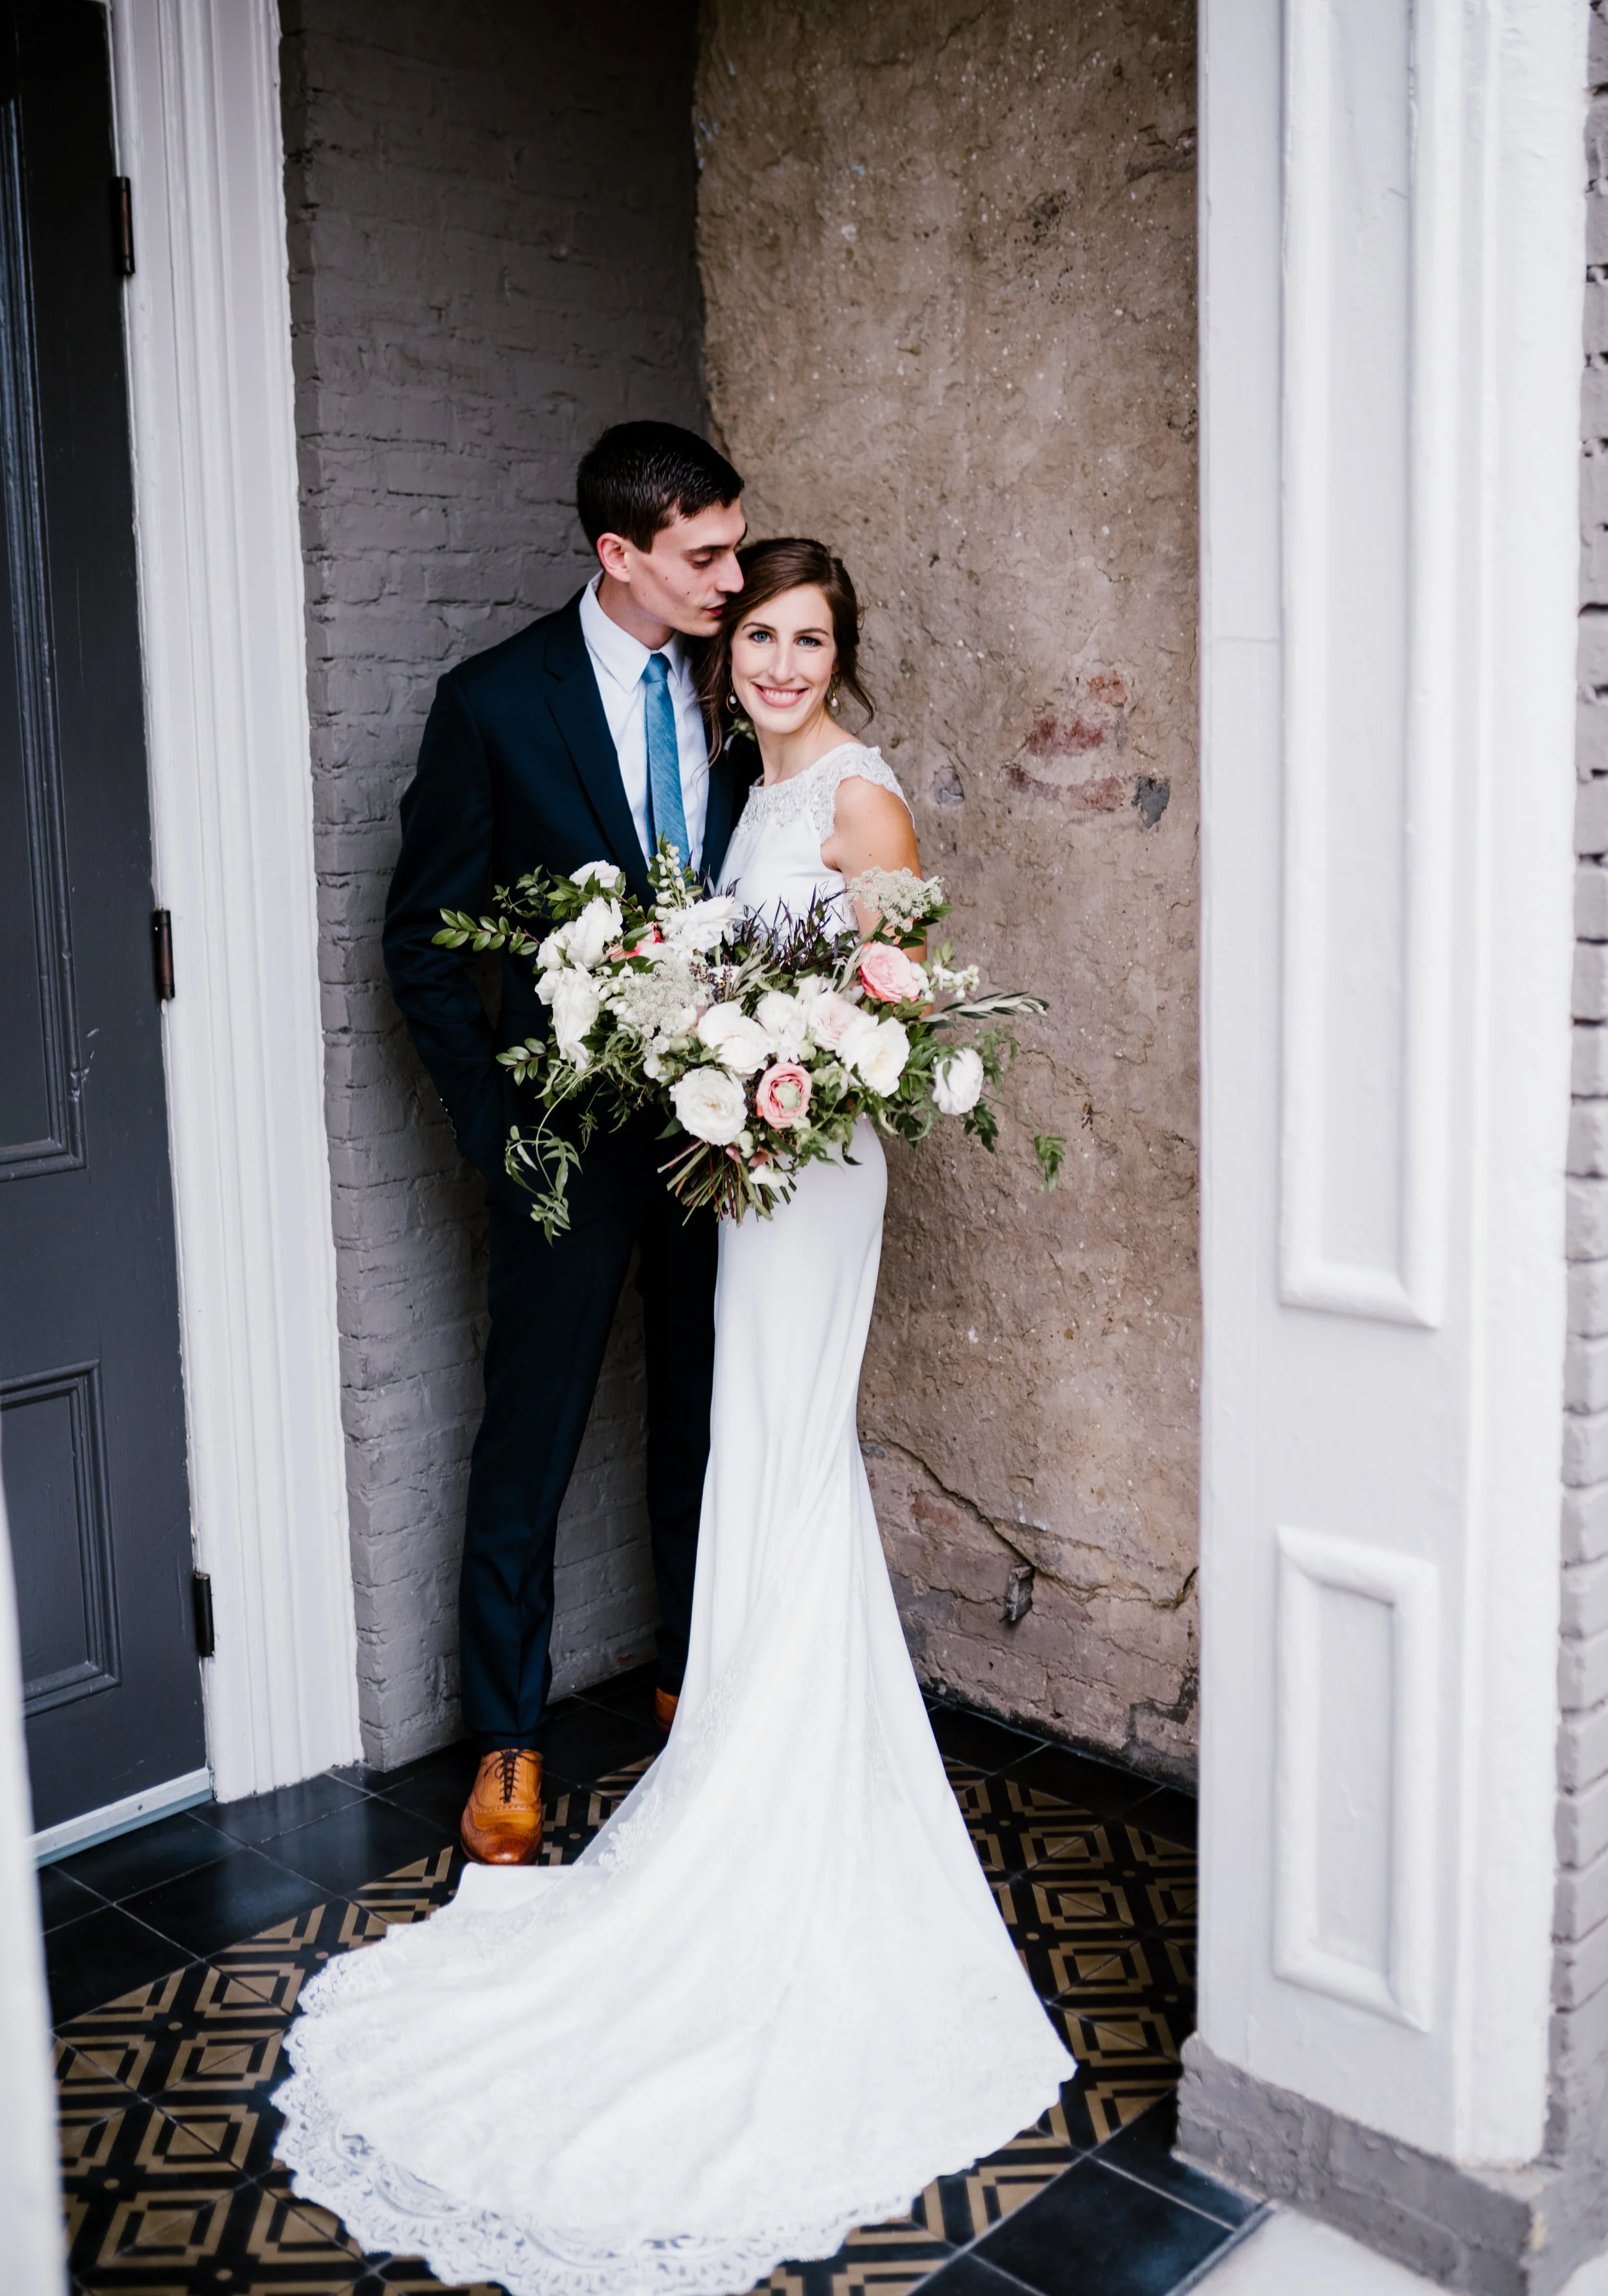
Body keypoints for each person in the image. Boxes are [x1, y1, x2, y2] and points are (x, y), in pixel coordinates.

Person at [277, 537, 1074, 2296]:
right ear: (727, 653)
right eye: (759, 633)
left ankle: (778, 1793)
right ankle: (742, 1748)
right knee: (747, 1467)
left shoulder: (855, 802)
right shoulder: (733, 794)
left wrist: (785, 1078)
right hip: (731, 1161)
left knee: (775, 1456)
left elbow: (902, 1003)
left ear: (839, 653)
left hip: (806, 1176)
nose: (777, 662)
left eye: (806, 638)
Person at [381, 422, 752, 1865]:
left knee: (700, 1417)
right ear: (620, 554)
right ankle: (509, 1739)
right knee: (530, 1434)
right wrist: (495, 1131)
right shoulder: (490, 703)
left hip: (715, 1131)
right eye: (702, 555)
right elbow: (422, 943)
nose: (728, 578)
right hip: (562, 1138)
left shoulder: (730, 687)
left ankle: (690, 1680)